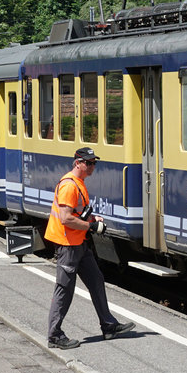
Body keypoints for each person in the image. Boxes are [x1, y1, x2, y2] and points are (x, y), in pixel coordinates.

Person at [45, 147, 135, 349]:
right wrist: (91, 226)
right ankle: (54, 335)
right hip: (67, 245)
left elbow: (78, 213)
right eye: (89, 162)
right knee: (64, 290)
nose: (92, 166)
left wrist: (93, 219)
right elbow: (66, 219)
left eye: (94, 162)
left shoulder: (79, 183)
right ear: (78, 163)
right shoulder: (69, 186)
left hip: (79, 243)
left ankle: (108, 326)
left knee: (96, 280)